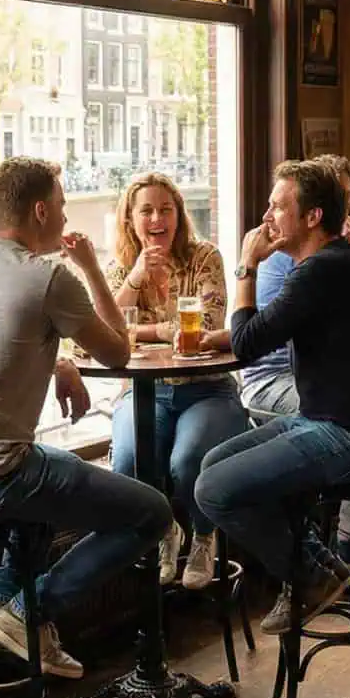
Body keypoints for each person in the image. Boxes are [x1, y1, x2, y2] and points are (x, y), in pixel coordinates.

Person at [0, 157, 170, 679]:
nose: (68, 219)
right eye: (64, 206)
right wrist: (93, 269)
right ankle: (31, 611)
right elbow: (117, 352)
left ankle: (1, 603)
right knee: (153, 513)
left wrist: (62, 361)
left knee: (43, 471)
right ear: (42, 211)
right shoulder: (50, 275)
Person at [195, 159, 350, 633]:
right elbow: (261, 331)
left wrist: (247, 266)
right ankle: (325, 569)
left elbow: (248, 344)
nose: (267, 217)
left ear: (313, 217)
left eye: (278, 207)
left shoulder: (322, 271)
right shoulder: (330, 267)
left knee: (213, 490)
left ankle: (311, 577)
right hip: (325, 419)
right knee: (211, 466)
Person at [104, 172, 249, 590]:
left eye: (165, 209)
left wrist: (145, 332)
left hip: (206, 388)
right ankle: (167, 530)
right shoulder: (121, 270)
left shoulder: (204, 257)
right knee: (129, 461)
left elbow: (208, 323)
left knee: (187, 463)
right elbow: (106, 329)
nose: (157, 218)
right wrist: (135, 281)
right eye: (146, 210)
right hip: (143, 391)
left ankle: (205, 535)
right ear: (131, 219)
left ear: (179, 215)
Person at [239, 153, 350, 417]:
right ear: (316, 211)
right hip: (275, 376)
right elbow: (247, 343)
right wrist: (246, 267)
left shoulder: (331, 258)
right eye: (339, 196)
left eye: (348, 196)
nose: (346, 205)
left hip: (315, 383)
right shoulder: (297, 257)